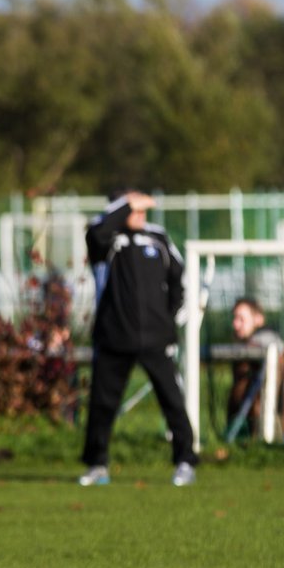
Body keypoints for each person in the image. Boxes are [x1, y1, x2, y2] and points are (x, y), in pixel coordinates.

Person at [79, 190, 197, 487]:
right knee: (103, 405)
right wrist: (125, 206)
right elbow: (97, 233)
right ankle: (96, 464)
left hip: (156, 339)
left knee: (172, 399)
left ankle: (185, 461)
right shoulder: (106, 239)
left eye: (143, 209)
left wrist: (167, 318)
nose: (139, 214)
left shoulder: (158, 238)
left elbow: (178, 280)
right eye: (133, 209)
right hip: (113, 338)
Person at [227, 297, 284, 443]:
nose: (235, 324)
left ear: (258, 319)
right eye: (234, 318)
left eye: (241, 319)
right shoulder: (246, 347)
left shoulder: (269, 347)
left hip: (266, 423)